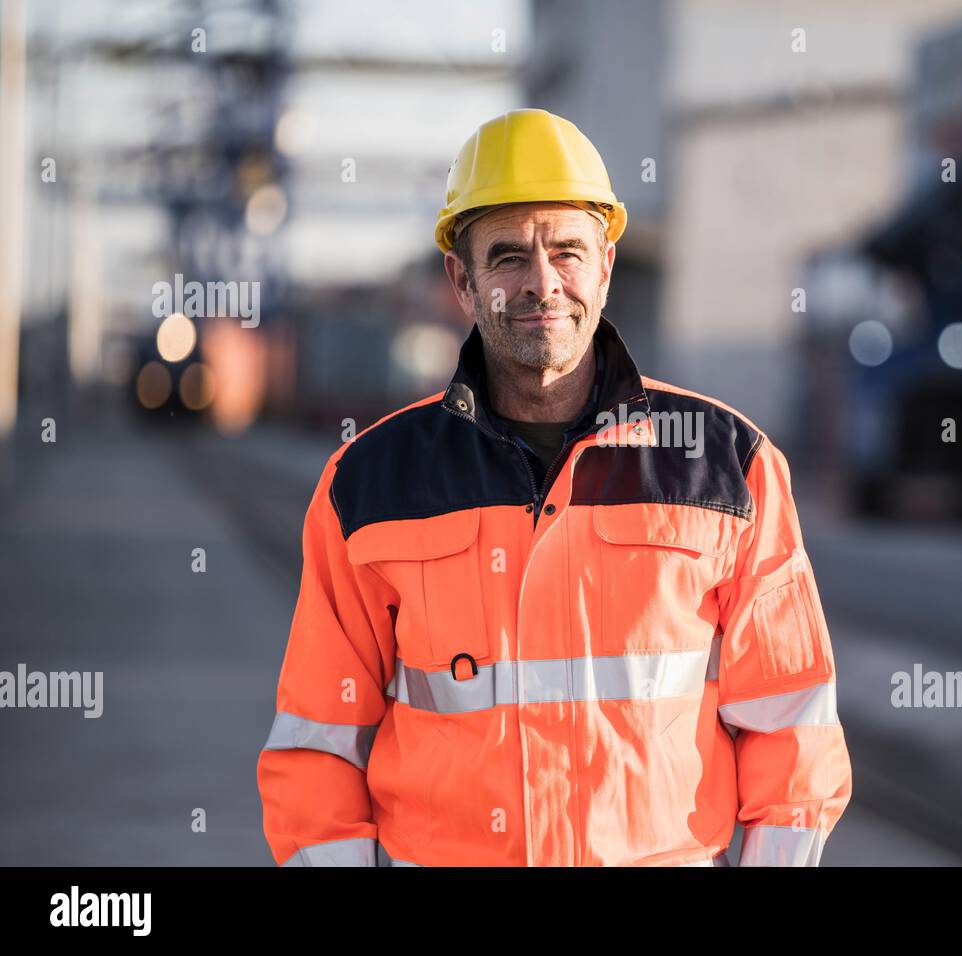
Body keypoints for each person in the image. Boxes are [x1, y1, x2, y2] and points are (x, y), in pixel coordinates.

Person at [256, 108, 852, 866]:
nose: (543, 283)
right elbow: (317, 748)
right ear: (461, 282)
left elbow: (793, 726)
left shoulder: (727, 465)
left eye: (567, 251)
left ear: (604, 265)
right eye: (507, 256)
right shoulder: (369, 485)